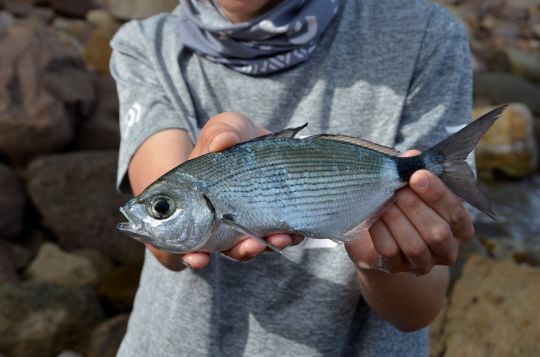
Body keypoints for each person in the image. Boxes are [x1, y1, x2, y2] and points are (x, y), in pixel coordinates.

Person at [110, 0, 474, 355]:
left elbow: (419, 310)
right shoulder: (145, 46)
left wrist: (374, 250)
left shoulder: (427, 35)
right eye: (162, 207)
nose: (156, 210)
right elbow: (166, 246)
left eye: (161, 207)